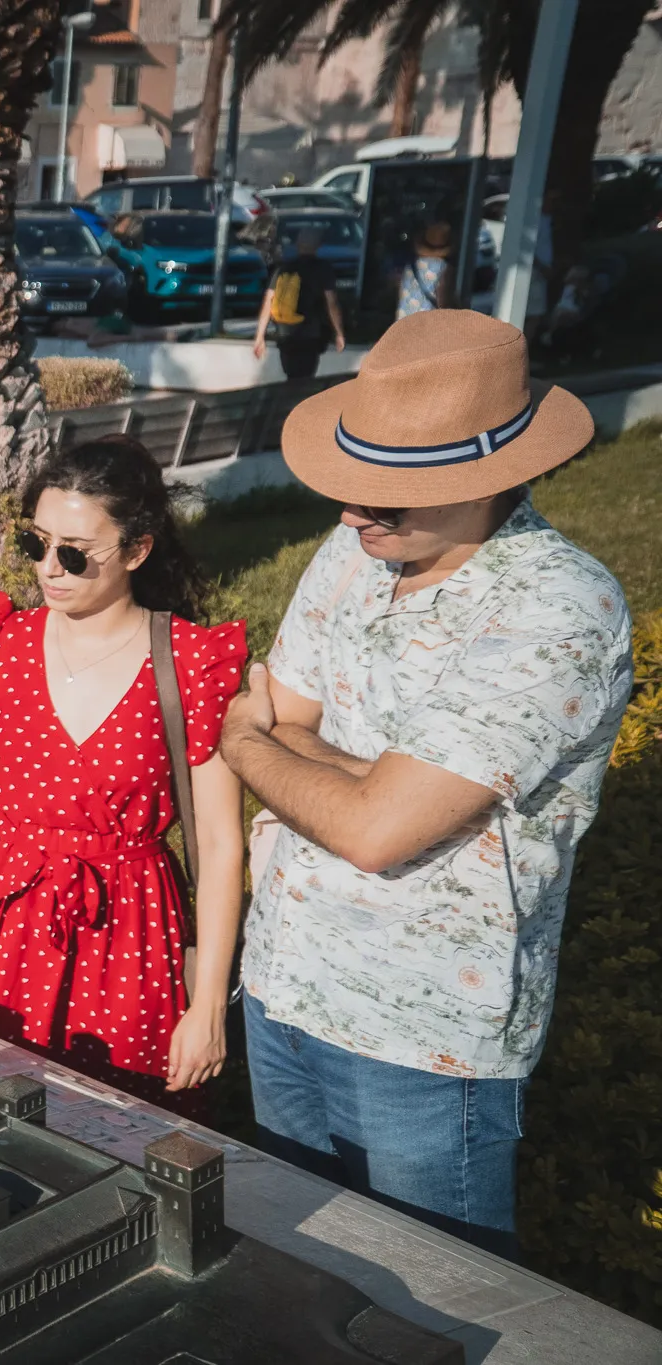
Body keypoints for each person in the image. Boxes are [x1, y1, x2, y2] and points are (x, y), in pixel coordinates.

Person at [219, 310, 633, 1256]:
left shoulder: (559, 603)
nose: (351, 515)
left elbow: (371, 826)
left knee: (427, 1303)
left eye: (386, 501)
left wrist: (255, 752)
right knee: (291, 1276)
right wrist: (363, 775)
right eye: (349, 489)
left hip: (422, 1035)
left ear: (488, 479)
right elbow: (296, 725)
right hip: (282, 983)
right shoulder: (354, 551)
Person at [0, 437, 246, 1110]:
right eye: (37, 543)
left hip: (129, 936)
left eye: (76, 553)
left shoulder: (190, 663)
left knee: (120, 1135)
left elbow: (225, 846)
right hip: (0, 926)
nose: (49, 569)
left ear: (138, 550)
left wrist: (206, 1008)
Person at [253, 226, 344, 381]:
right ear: (317, 246)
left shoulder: (283, 268)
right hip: (310, 334)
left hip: (284, 333)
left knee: (291, 377)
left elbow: (268, 301)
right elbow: (332, 303)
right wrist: (339, 332)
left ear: (297, 244)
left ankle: (289, 403)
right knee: (305, 378)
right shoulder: (323, 269)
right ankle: (299, 404)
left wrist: (259, 336)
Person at [394, 221, 452, 320]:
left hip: (403, 322)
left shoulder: (411, 265)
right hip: (425, 323)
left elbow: (401, 293)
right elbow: (442, 298)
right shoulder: (443, 267)